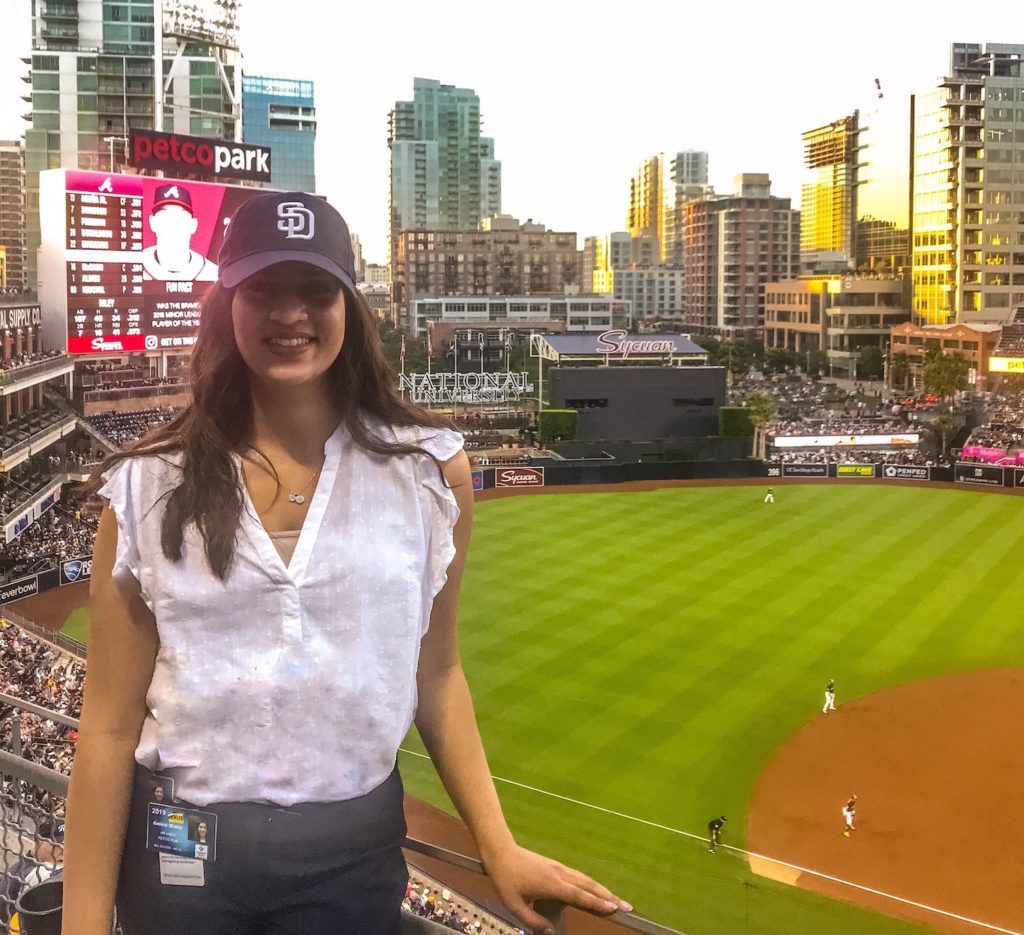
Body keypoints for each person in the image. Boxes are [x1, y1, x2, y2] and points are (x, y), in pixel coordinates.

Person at [62, 191, 631, 935]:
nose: (289, 313)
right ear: (226, 302)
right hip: (182, 858)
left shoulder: (429, 470)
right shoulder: (148, 483)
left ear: (349, 304)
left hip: (348, 858)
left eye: (315, 289)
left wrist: (499, 844)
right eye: (263, 288)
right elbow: (106, 729)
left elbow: (437, 672)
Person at [140, 184, 218, 282]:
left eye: (181, 217)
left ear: (193, 225)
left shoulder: (213, 274)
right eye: (165, 216)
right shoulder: (134, 267)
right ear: (152, 222)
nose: (173, 224)